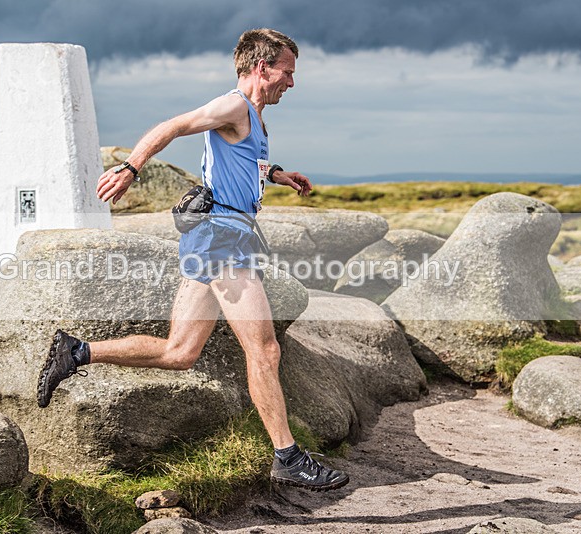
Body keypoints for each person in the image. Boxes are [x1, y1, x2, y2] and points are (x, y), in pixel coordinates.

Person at [37, 28, 348, 491]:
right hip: (222, 238)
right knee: (264, 350)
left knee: (179, 352)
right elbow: (174, 126)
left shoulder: (254, 118)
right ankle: (287, 457)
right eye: (287, 72)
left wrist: (278, 175)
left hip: (216, 237)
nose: (291, 81)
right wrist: (131, 167)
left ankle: (77, 351)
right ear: (262, 67)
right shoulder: (234, 106)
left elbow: (242, 161)